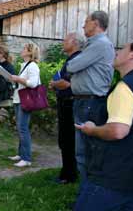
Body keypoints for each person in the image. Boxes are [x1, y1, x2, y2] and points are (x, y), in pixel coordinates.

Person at [74, 40, 133, 211]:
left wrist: (92, 130)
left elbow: (118, 130)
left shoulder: (126, 87)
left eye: (122, 48)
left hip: (114, 175)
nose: (117, 52)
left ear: (132, 54)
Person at [66, 11, 115, 182]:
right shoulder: (93, 44)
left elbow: (72, 66)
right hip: (85, 101)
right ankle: (87, 192)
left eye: (86, 22)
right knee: (83, 152)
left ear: (95, 23)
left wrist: (74, 65)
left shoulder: (100, 44)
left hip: (91, 103)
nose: (83, 25)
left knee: (88, 152)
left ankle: (90, 195)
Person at [49, 32, 85, 184]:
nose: (63, 42)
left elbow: (67, 83)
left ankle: (68, 176)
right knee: (66, 140)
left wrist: (54, 84)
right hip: (66, 102)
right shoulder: (72, 59)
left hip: (70, 103)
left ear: (74, 42)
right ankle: (67, 172)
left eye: (66, 40)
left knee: (68, 140)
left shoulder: (77, 59)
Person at [8, 43, 41, 167]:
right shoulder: (25, 65)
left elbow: (33, 84)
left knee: (23, 128)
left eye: (24, 49)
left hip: (25, 100)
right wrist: (14, 79)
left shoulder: (32, 66)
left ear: (30, 52)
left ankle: (26, 158)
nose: (22, 50)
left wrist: (18, 79)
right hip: (19, 99)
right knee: (20, 127)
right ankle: (21, 154)